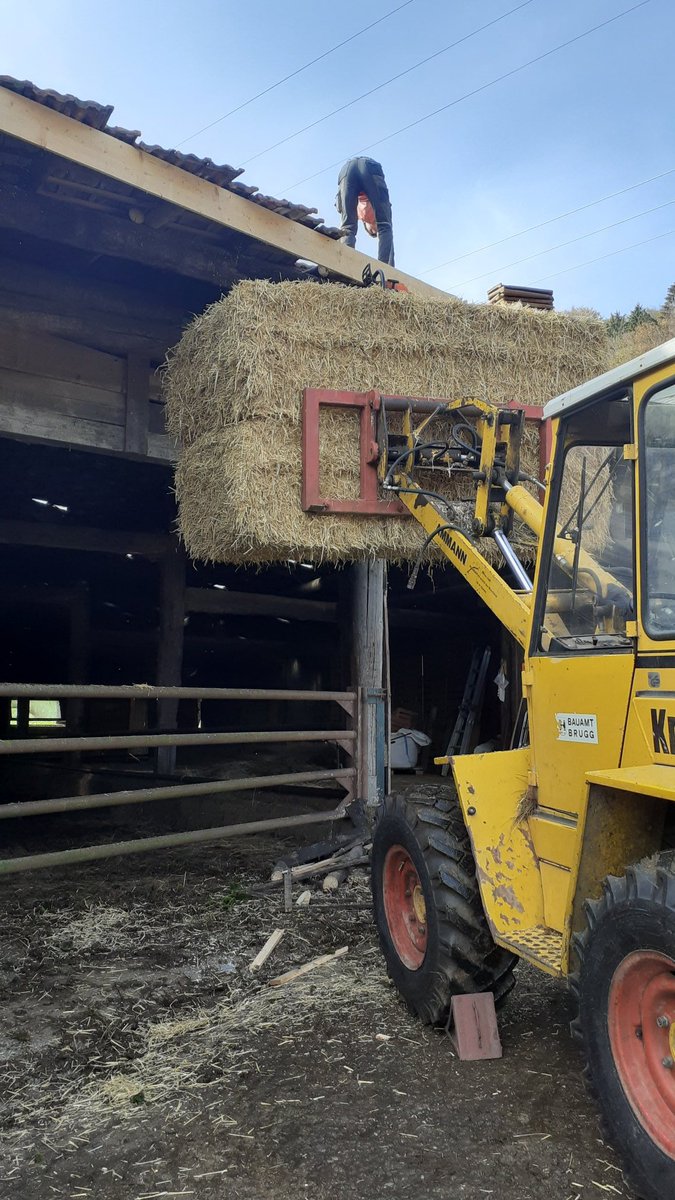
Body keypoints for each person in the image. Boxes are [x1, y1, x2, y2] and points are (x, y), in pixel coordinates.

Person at [335, 156, 395, 266]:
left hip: (347, 170)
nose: (375, 230)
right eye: (375, 232)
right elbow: (388, 236)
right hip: (368, 167)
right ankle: (385, 270)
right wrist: (390, 269)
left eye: (373, 232)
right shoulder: (378, 218)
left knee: (347, 228)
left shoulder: (359, 214)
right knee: (385, 226)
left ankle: (344, 266)